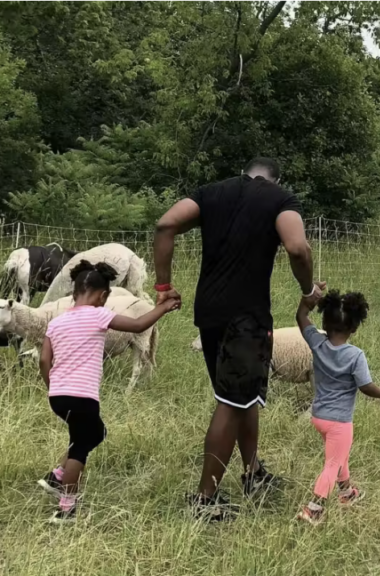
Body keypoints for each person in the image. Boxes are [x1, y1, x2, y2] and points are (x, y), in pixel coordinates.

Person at [153, 157, 324, 521]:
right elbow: (298, 248)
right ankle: (205, 500)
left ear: (244, 172)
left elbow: (165, 224)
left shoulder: (212, 193)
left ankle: (253, 473)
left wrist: (163, 286)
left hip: (209, 313)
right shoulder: (279, 199)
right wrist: (309, 290)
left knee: (243, 397)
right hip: (246, 318)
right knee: (230, 402)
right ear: (276, 179)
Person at [37, 260, 178, 523]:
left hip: (58, 395)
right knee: (81, 446)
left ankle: (57, 476)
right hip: (83, 396)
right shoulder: (98, 315)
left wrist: (52, 386)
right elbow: (138, 325)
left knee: (95, 433)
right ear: (103, 296)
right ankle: (66, 507)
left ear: (74, 292)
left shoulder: (56, 322)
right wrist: (163, 307)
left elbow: (44, 360)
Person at [294, 289, 380, 526]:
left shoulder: (317, 343)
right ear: (354, 328)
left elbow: (301, 317)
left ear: (324, 324)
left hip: (319, 417)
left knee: (339, 455)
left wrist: (309, 297)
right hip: (340, 421)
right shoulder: (355, 355)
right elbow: (365, 386)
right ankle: (314, 508)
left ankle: (347, 493)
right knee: (332, 463)